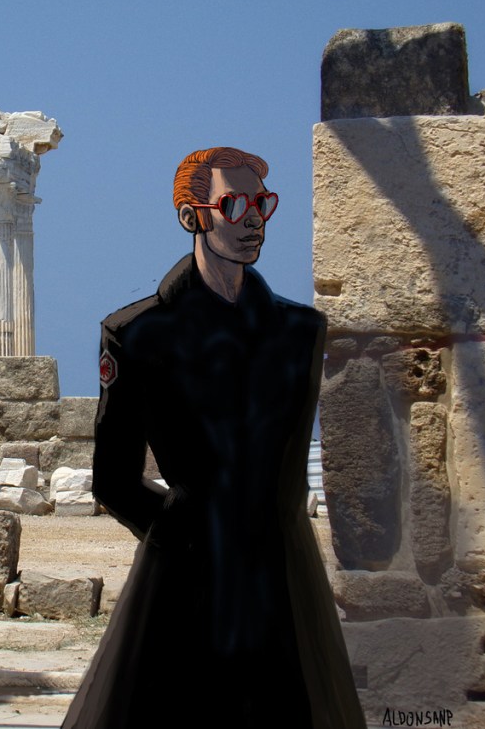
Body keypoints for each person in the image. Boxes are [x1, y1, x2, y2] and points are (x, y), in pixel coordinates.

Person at [62, 147, 365, 728]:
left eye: (262, 204)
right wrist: (182, 531)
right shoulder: (136, 332)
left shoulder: (302, 331)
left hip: (285, 574)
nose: (254, 219)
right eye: (234, 204)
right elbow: (114, 479)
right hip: (185, 575)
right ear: (192, 216)